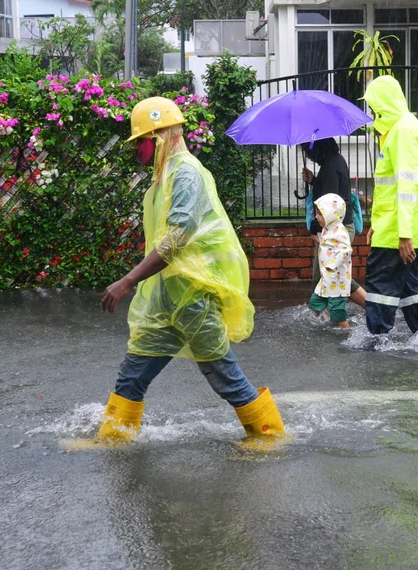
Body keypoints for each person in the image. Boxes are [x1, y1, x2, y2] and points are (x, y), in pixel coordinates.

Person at [77, 97, 286, 447]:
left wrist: (128, 280)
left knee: (223, 375)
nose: (138, 151)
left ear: (160, 136)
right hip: (168, 297)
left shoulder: (186, 173)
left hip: (193, 296)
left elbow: (177, 237)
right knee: (134, 369)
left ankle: (271, 438)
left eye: (141, 142)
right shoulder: (166, 176)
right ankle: (111, 438)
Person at [361, 76, 418, 335]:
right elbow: (389, 188)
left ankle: (376, 340)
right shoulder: (404, 128)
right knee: (410, 286)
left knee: (381, 285)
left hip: (401, 231)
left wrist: (403, 234)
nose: (372, 113)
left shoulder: (402, 131)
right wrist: (377, 223)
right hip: (406, 227)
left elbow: (406, 186)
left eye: (373, 107)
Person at [300, 138, 367, 308]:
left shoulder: (330, 167)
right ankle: (327, 316)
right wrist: (314, 181)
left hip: (335, 229)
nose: (309, 156)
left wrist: (315, 231)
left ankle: (373, 308)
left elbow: (329, 206)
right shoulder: (335, 162)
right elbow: (331, 192)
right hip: (338, 227)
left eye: (309, 151)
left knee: (330, 274)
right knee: (326, 275)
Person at [308, 194, 352, 329]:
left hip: (337, 280)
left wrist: (332, 265)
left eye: (320, 214)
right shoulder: (329, 228)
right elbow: (329, 245)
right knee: (315, 303)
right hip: (327, 278)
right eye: (317, 213)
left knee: (337, 310)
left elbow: (346, 250)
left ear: (331, 214)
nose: (316, 217)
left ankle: (346, 330)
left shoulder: (340, 231)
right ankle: (322, 323)